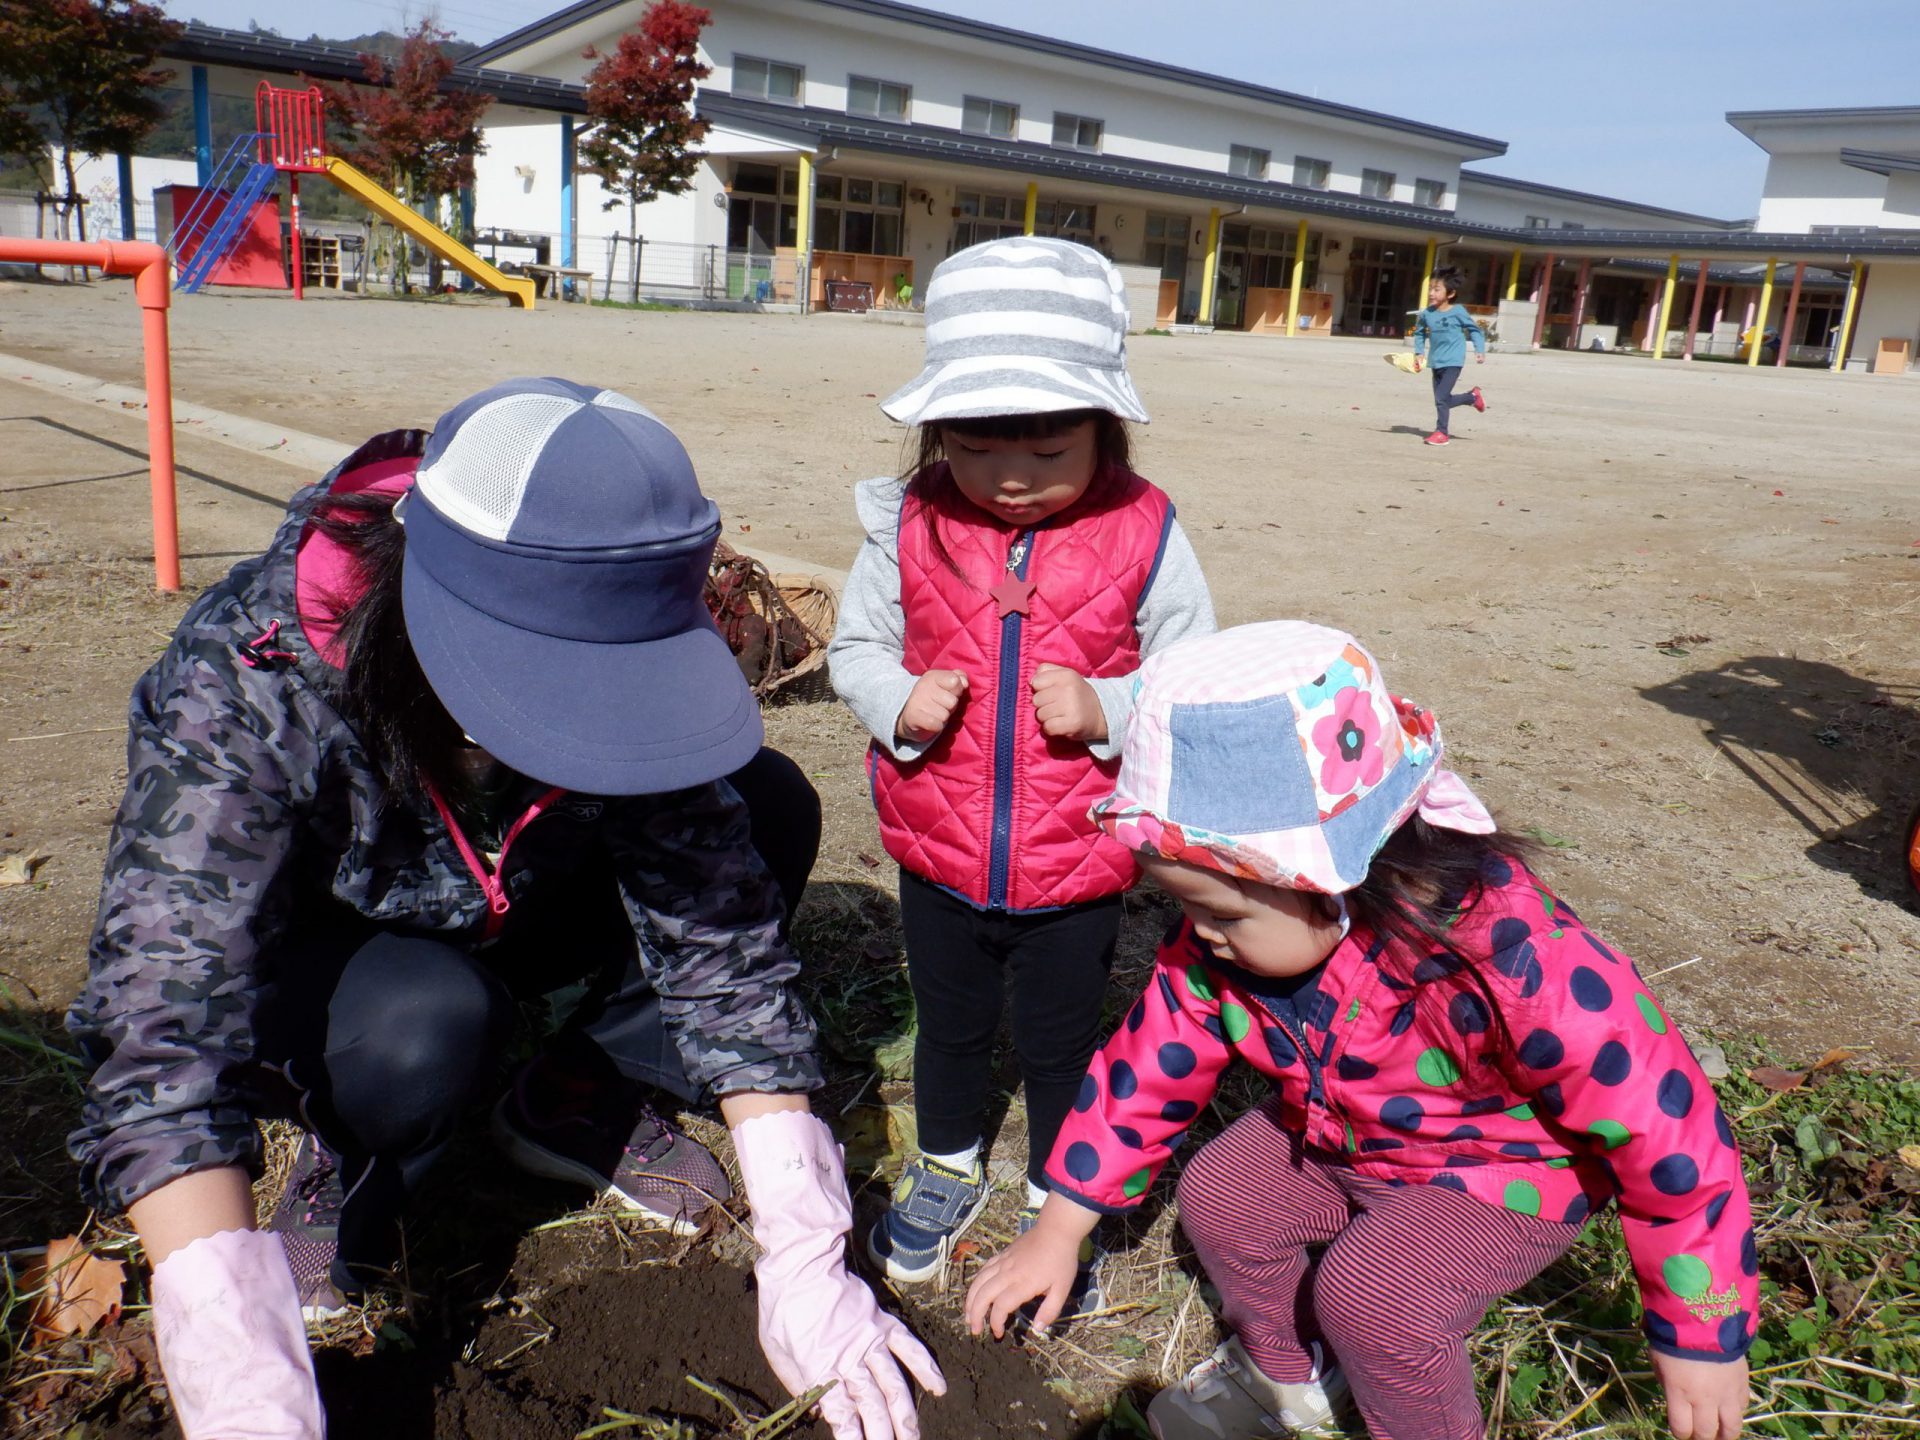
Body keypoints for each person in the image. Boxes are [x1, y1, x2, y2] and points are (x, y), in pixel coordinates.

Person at [67, 378, 943, 1440]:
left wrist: (804, 1245)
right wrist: (232, 1359)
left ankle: (579, 1092)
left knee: (764, 807)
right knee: (425, 1027)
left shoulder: (612, 625)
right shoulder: (253, 673)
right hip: (351, 956)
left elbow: (720, 929)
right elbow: (162, 1023)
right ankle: (352, 1156)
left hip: (518, 891)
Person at [965, 621, 1755, 1440]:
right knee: (1220, 1197)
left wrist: (1702, 1330)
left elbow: (1672, 1130)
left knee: (1374, 1298)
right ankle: (1288, 1376)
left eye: (1220, 912)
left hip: (1502, 1173)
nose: (1199, 934)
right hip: (1344, 1137)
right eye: (1184, 906)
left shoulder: (1514, 958)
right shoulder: (1223, 951)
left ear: (1334, 878)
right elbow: (1144, 1073)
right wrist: (1059, 1229)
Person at [827, 237, 1217, 1298]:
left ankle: (1057, 1195)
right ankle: (948, 1160)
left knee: (1059, 1042)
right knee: (949, 1027)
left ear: (1104, 427)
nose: (1010, 479)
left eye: (1049, 453)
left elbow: (1190, 670)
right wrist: (895, 699)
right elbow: (855, 646)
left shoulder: (1144, 528)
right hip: (936, 845)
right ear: (935, 432)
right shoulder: (908, 519)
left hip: (1079, 861)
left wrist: (1110, 707)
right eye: (974, 448)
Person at [1411, 267, 1488, 446]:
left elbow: (1474, 330)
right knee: (1442, 399)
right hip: (1435, 361)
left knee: (1441, 398)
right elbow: (1419, 333)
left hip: (1453, 361)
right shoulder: (1427, 314)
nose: (1431, 293)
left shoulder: (1458, 311)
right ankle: (1472, 397)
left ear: (1450, 293)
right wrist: (1419, 353)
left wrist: (1479, 349)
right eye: (1430, 289)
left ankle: (1441, 433)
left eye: (1437, 289)